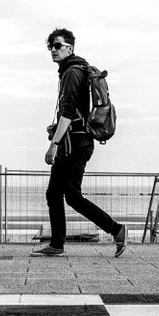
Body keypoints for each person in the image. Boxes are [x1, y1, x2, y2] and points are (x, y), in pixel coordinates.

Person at [32, 28, 127, 258]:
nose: (53, 50)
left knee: (71, 196)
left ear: (70, 48)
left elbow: (68, 111)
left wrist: (54, 144)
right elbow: (74, 113)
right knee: (55, 193)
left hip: (75, 144)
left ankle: (116, 229)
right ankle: (57, 244)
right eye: (51, 47)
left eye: (58, 46)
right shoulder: (74, 70)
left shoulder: (72, 72)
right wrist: (57, 131)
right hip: (74, 141)